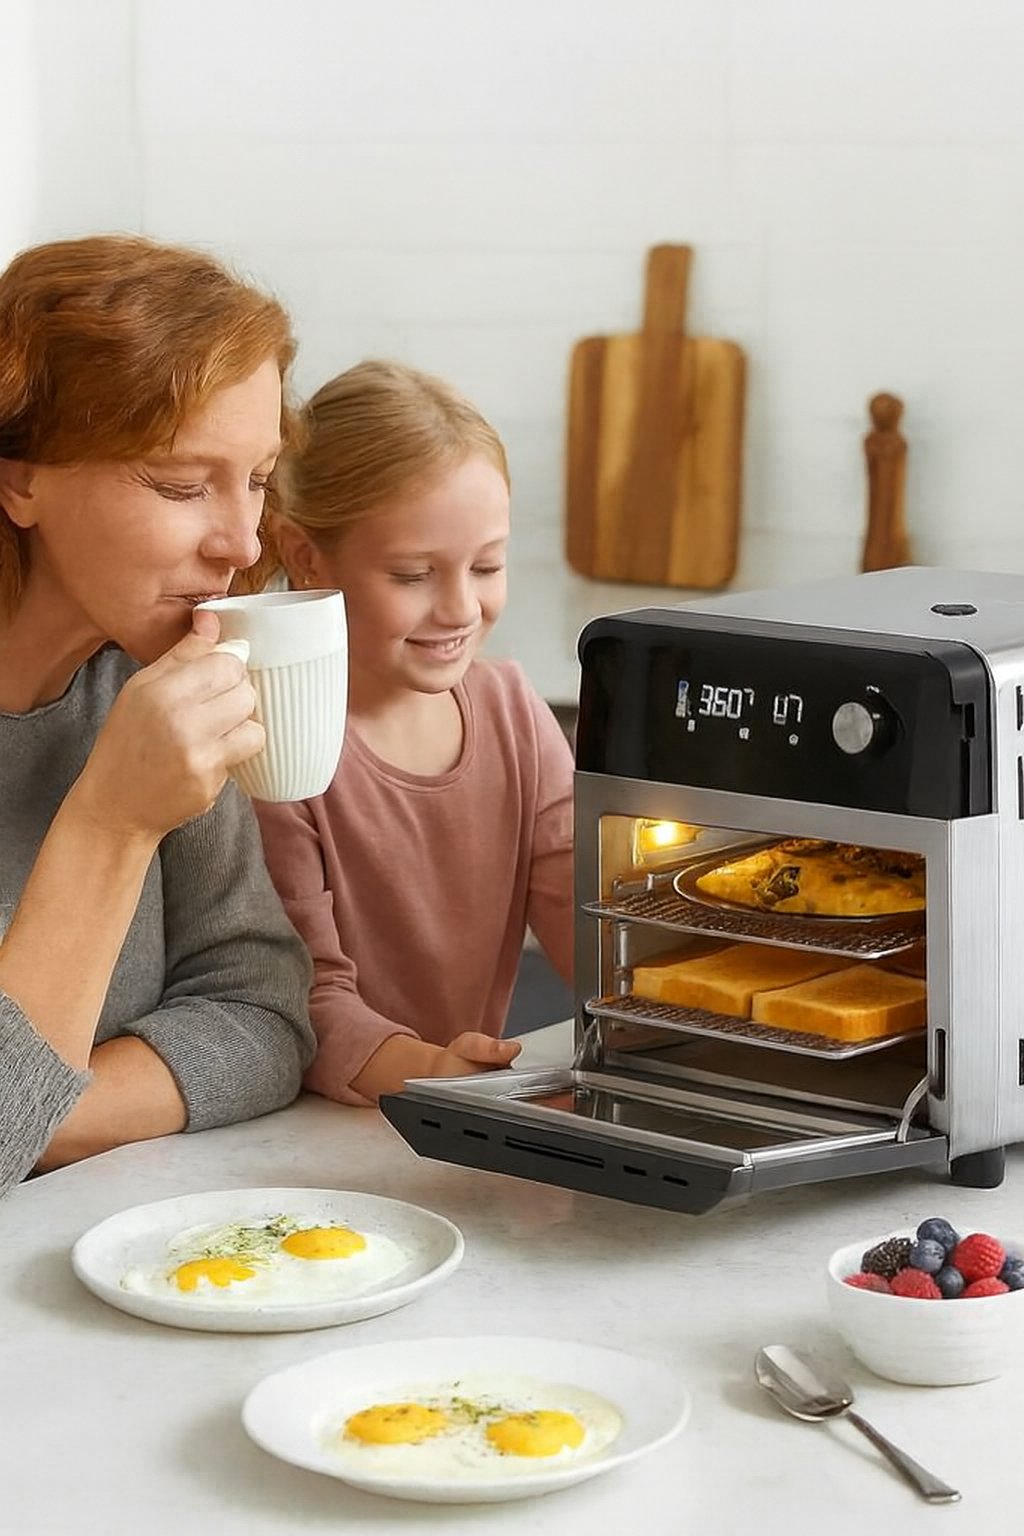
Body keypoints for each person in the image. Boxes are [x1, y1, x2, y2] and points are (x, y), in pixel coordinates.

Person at [0, 234, 316, 1198]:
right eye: (182, 484)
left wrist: (40, 1118)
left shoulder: (139, 685)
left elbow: (263, 1015)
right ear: (18, 476)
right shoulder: (144, 734)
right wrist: (114, 820)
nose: (242, 541)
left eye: (257, 477)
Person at [255, 360, 573, 1104]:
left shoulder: (513, 710)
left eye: (487, 565)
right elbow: (300, 999)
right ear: (304, 556)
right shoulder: (273, 744)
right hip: (307, 1132)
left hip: (447, 1113)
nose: (461, 607)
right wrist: (430, 1074)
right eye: (412, 576)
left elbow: (590, 919)